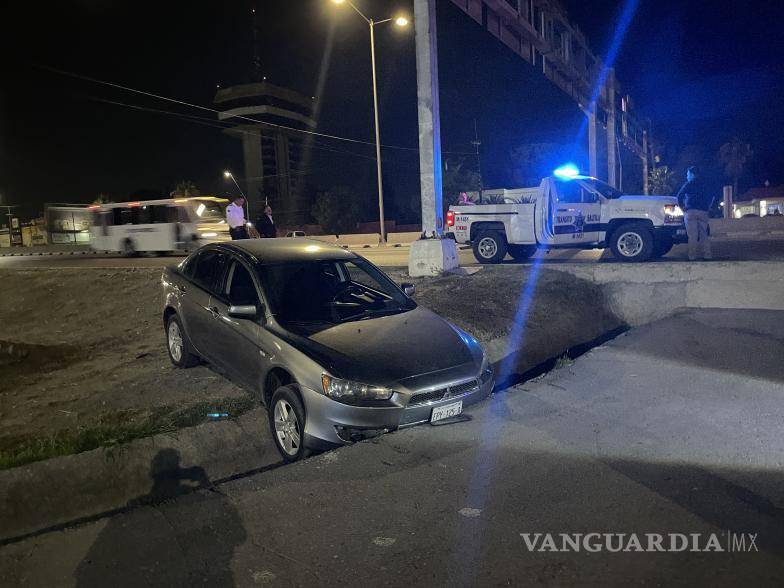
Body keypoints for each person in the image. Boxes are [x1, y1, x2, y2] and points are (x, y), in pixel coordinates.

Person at [676, 166, 713, 261]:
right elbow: (713, 196)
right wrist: (709, 207)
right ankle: (707, 255)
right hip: (703, 212)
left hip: (690, 211)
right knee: (704, 234)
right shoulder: (705, 184)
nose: (686, 176)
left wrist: (682, 208)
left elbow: (679, 195)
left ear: (692, 174)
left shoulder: (689, 184)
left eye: (688, 174)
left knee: (692, 236)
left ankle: (692, 256)